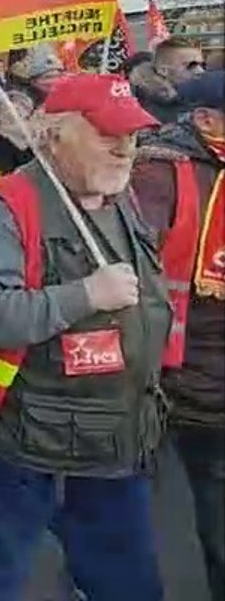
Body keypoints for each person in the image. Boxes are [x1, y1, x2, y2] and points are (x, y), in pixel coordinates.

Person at [0, 74, 168, 601]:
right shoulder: (8, 210)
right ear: (53, 135)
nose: (125, 148)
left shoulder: (119, 199)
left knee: (130, 585)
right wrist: (85, 294)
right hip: (26, 445)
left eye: (132, 134)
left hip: (115, 441)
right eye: (107, 133)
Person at [131, 71, 225, 601]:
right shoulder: (157, 174)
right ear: (206, 119)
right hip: (155, 373)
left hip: (215, 385)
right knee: (123, 507)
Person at [130, 36, 207, 125]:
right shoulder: (138, 106)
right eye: (191, 66)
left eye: (202, 65)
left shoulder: (201, 97)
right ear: (163, 71)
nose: (200, 71)